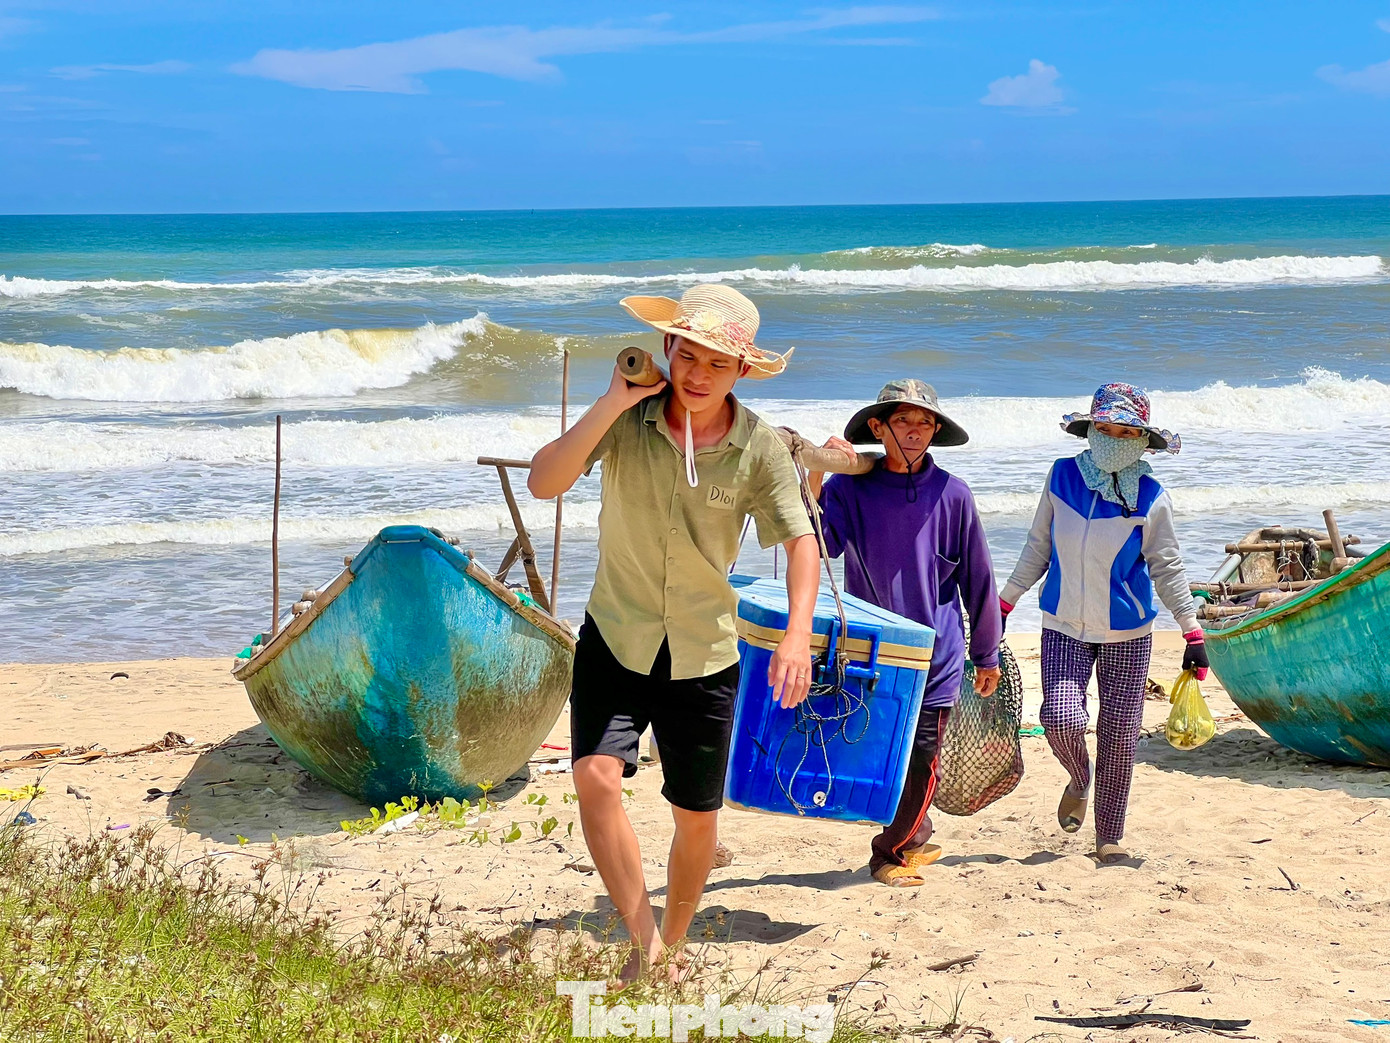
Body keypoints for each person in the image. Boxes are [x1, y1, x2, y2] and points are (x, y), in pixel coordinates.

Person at [528, 284, 820, 980]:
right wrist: (611, 402)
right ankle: (644, 943)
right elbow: (544, 481)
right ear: (667, 348)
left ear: (742, 371)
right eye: (687, 355)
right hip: (616, 634)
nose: (696, 374)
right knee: (596, 779)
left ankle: (675, 942)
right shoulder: (627, 421)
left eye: (716, 364)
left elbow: (801, 541)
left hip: (704, 652)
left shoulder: (757, 448)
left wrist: (797, 633)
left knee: (696, 819)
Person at [998, 383, 1208, 865]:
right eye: (1105, 427)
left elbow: (1167, 567)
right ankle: (1078, 777)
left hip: (1129, 634)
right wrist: (1004, 604)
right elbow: (1037, 549)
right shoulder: (1061, 477)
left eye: (1127, 430)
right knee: (1060, 718)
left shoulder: (1152, 497)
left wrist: (1192, 631)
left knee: (1119, 737)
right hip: (1063, 625)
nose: (1114, 437)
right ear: (1089, 429)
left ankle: (1109, 836)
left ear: (1143, 439)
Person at [809, 380, 1003, 887]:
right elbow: (816, 542)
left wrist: (987, 654)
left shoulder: (953, 494)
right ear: (878, 427)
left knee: (922, 756)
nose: (914, 433)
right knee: (880, 752)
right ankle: (911, 832)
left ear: (935, 431)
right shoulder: (850, 489)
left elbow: (977, 577)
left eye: (925, 423)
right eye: (903, 422)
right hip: (870, 650)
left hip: (936, 653)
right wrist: (816, 471)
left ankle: (891, 852)